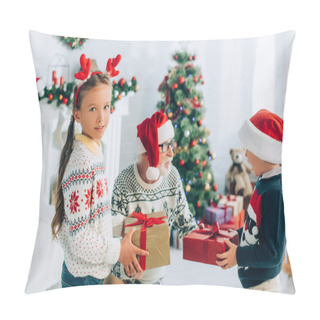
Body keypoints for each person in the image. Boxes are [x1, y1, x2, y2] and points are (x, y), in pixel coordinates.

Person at [51, 54, 148, 288]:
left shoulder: (94, 150)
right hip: (82, 278)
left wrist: (123, 222)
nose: (102, 117)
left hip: (92, 273)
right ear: (78, 115)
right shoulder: (82, 164)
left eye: (106, 107)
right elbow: (80, 239)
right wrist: (118, 251)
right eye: (93, 109)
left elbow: (94, 218)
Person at [110, 111, 197, 284]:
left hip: (156, 277)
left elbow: (186, 223)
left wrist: (209, 242)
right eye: (164, 146)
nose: (172, 153)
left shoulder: (172, 176)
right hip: (123, 278)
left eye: (171, 144)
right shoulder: (124, 181)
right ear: (146, 153)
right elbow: (112, 234)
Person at [216, 109, 286, 293]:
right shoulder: (264, 181)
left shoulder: (276, 193)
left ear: (265, 152)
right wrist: (236, 235)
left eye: (250, 149)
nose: (246, 155)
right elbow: (256, 227)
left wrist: (238, 256)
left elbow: (273, 253)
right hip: (254, 283)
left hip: (264, 287)